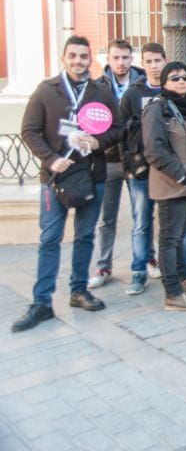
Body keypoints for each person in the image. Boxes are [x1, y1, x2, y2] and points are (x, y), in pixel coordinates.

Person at [13, 36, 123, 332]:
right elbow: (29, 130)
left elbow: (118, 128)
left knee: (85, 236)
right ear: (64, 58)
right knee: (50, 239)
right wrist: (50, 159)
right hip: (56, 178)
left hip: (91, 177)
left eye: (84, 56)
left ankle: (78, 290)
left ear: (90, 59)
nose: (78, 61)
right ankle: (41, 302)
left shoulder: (101, 91)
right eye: (73, 56)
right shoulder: (46, 90)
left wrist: (98, 141)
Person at [142, 62, 186, 311]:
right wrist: (180, 175)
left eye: (184, 77)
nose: (181, 81)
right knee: (170, 240)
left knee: (179, 237)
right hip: (173, 185)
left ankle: (184, 281)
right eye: (174, 78)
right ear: (164, 82)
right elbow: (154, 149)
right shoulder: (157, 108)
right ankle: (172, 293)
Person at [89, 39, 154, 289]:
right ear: (108, 59)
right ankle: (103, 265)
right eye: (116, 57)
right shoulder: (97, 87)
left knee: (143, 214)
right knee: (106, 217)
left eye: (126, 57)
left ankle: (149, 258)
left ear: (132, 58)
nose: (121, 62)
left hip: (138, 160)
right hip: (108, 161)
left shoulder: (143, 84)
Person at [107, 42, 168, 295]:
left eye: (157, 60)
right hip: (140, 170)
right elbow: (122, 133)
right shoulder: (133, 94)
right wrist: (128, 166)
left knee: (168, 224)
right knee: (141, 222)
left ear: (165, 60)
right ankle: (138, 271)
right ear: (142, 63)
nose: (154, 66)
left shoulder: (172, 89)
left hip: (166, 171)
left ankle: (173, 268)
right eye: (149, 61)